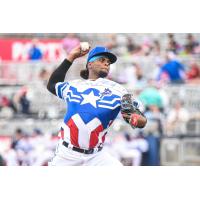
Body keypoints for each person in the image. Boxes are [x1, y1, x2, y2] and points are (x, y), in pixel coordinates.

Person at [47, 44, 147, 166]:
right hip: (67, 154)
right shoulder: (73, 86)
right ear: (89, 64)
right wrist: (71, 57)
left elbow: (140, 119)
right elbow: (52, 85)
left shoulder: (119, 91)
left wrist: (136, 119)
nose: (106, 64)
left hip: (96, 156)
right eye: (102, 60)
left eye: (108, 62)